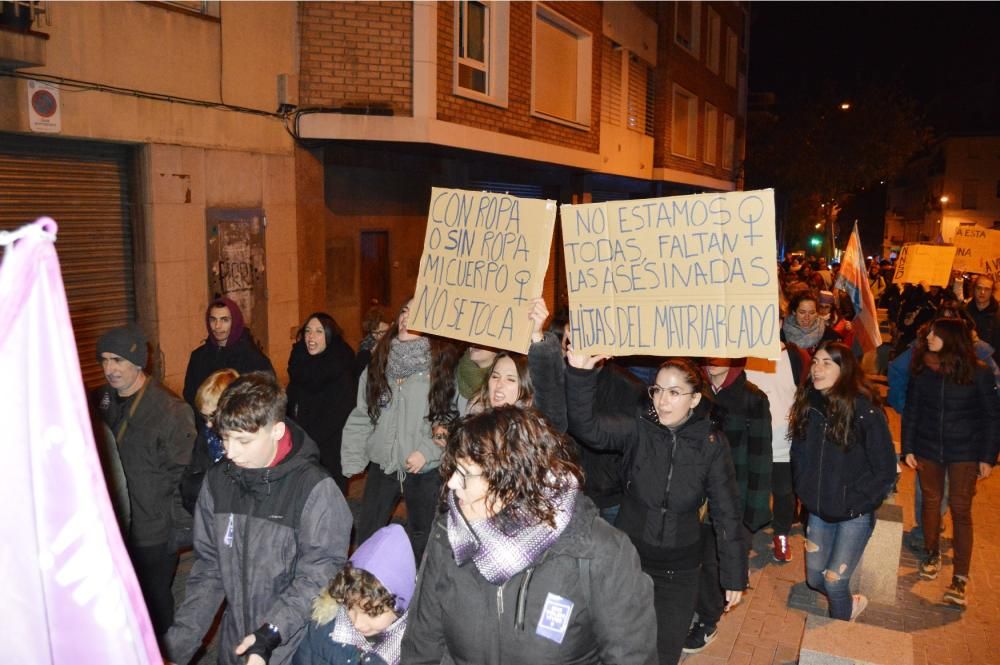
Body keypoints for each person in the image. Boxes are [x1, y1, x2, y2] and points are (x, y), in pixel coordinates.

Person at [401, 406, 657, 665]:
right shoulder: (450, 536)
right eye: (454, 470)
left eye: (465, 474)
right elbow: (422, 644)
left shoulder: (599, 551)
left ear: (512, 482)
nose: (452, 484)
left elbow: (631, 657)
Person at [565, 354, 746, 665]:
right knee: (614, 648)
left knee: (662, 655)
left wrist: (734, 575)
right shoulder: (638, 429)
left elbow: (726, 511)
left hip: (679, 571)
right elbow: (587, 427)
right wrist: (580, 374)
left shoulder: (711, 443)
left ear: (694, 400)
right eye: (658, 390)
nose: (663, 401)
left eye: (674, 393)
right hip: (629, 560)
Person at [165, 372, 353, 665]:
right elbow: (209, 568)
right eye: (225, 438)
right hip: (236, 644)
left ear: (276, 431)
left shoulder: (315, 489)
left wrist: (270, 634)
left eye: (243, 441)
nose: (230, 451)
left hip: (292, 645)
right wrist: (176, 647)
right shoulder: (217, 482)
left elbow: (320, 573)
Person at [94, 325, 196, 640]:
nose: (109, 369)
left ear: (138, 362)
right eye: (104, 360)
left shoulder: (170, 410)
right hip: (110, 525)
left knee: (153, 605)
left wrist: (178, 530)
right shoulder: (100, 400)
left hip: (152, 531)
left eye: (118, 360)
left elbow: (184, 477)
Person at [788, 342, 897, 622]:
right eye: (815, 362)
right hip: (819, 510)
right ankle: (851, 603)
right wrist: (804, 488)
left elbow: (885, 469)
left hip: (853, 514)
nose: (817, 368)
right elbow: (798, 452)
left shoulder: (864, 410)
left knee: (835, 582)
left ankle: (838, 635)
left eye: (827, 363)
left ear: (844, 369)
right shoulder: (808, 404)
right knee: (814, 578)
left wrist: (856, 501)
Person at [341, 299, 456, 561]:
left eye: (416, 314)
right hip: (384, 466)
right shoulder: (377, 365)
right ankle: (366, 588)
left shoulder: (441, 367)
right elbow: (363, 414)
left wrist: (427, 452)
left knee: (421, 535)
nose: (406, 317)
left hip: (423, 470)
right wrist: (353, 458)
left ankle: (415, 591)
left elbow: (448, 419)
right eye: (404, 311)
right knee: (369, 531)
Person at [902, 318, 1000, 606]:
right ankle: (931, 552)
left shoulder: (978, 374)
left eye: (935, 333)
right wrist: (907, 447)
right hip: (928, 448)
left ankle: (960, 578)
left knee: (960, 509)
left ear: (951, 339)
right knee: (930, 502)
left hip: (965, 452)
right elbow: (912, 411)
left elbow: (992, 417)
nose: (928, 337)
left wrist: (987, 457)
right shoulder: (922, 371)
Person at [684, 358, 772, 654]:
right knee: (693, 559)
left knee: (715, 564)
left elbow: (761, 457)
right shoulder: (694, 392)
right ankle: (695, 609)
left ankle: (707, 621)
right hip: (694, 496)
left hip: (730, 499)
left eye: (719, 354)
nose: (712, 361)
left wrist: (751, 516)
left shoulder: (752, 398)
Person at [293, 524, 416, 665]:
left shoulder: (414, 653)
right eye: (350, 607)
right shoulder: (322, 626)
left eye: (371, 614)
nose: (357, 623)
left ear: (400, 607)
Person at [745, 341, 811, 563]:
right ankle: (742, 539)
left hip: (783, 442)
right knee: (745, 492)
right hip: (750, 442)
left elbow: (806, 393)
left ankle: (781, 535)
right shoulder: (740, 354)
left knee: (784, 492)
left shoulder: (794, 357)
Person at [287, 312, 357, 495]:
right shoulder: (299, 363)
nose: (311, 336)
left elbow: (340, 413)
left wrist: (310, 442)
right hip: (300, 446)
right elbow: (290, 403)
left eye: (319, 331)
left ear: (329, 335)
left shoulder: (339, 367)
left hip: (330, 449)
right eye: (308, 330)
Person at [182, 296, 274, 408]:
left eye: (224, 320)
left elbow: (267, 399)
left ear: (235, 322)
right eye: (213, 319)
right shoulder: (198, 357)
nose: (217, 326)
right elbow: (190, 396)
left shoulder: (254, 360)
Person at [180, 368, 239, 514]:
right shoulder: (206, 437)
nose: (208, 424)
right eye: (204, 417)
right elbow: (188, 481)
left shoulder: (249, 445)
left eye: (213, 416)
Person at [966, 275, 1000, 352]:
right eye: (979, 288)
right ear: (974, 289)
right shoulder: (965, 312)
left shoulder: (998, 314)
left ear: (992, 292)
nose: (982, 292)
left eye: (987, 289)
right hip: (968, 360)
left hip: (992, 361)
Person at [357, 305, 391, 378]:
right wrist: (373, 358)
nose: (379, 336)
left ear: (391, 325)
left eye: (383, 331)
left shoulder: (398, 341)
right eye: (374, 333)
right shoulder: (365, 348)